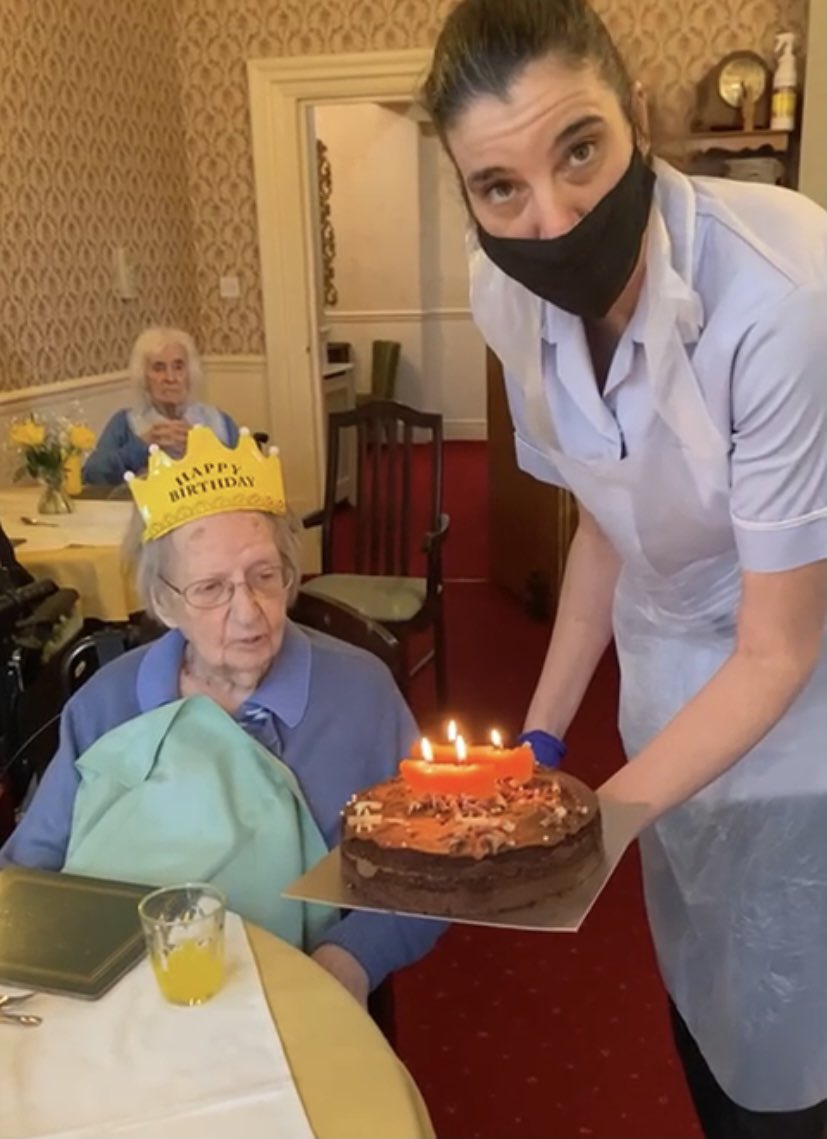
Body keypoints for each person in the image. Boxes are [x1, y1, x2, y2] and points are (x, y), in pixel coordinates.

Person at [422, 2, 827, 1137]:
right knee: (696, 1000)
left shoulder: (781, 292)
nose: (549, 218)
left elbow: (777, 644)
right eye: (498, 186)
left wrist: (589, 827)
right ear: (464, 193)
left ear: (636, 116)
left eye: (580, 149)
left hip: (797, 721)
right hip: (662, 706)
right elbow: (603, 518)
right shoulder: (506, 292)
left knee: (789, 1046)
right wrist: (543, 746)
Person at [1, 425, 443, 1004]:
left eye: (265, 576)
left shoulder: (359, 696)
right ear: (163, 601)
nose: (248, 613)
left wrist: (350, 959)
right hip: (112, 997)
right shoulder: (107, 702)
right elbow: (30, 868)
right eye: (210, 588)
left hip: (292, 995)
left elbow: (432, 864)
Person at [82, 327, 239, 486]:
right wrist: (143, 445)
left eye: (178, 367)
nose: (170, 378)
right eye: (159, 368)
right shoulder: (125, 423)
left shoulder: (217, 420)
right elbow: (92, 475)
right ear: (144, 377)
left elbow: (247, 472)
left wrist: (201, 445)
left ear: (190, 373)